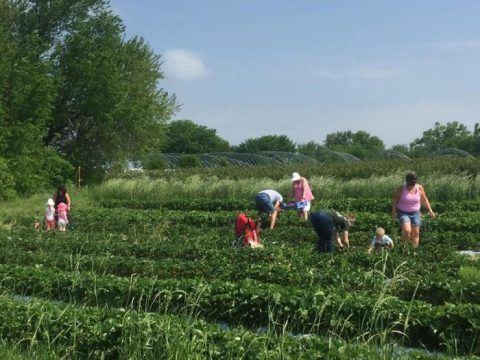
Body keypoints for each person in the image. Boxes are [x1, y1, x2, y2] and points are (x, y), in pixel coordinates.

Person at [392, 171, 435, 249]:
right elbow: (395, 199)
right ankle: (404, 247)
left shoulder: (419, 188)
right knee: (407, 230)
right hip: (403, 212)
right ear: (406, 182)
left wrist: (430, 210)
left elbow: (424, 199)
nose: (410, 186)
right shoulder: (401, 188)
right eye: (409, 184)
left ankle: (413, 250)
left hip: (415, 213)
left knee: (416, 233)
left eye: (412, 184)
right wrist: (393, 211)